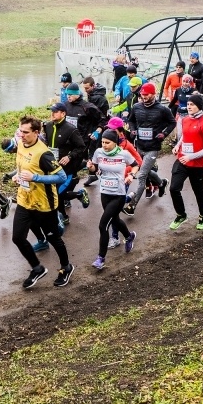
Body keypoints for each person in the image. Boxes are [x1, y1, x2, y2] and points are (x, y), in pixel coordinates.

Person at [11, 117, 74, 288]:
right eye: (20, 131)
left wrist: (35, 178)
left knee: (53, 238)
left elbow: (61, 177)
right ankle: (37, 268)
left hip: (44, 204)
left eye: (26, 132)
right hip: (25, 200)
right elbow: (23, 166)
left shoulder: (43, 153)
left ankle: (66, 267)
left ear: (36, 133)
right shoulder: (21, 144)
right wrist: (17, 176)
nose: (21, 135)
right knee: (17, 238)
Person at [32, 102, 88, 251]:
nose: (52, 114)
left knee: (58, 194)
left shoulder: (71, 129)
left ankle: (78, 195)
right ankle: (64, 216)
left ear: (63, 113)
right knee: (55, 194)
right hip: (52, 167)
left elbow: (81, 147)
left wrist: (69, 156)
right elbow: (46, 143)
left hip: (66, 170)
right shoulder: (48, 126)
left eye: (55, 111)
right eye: (51, 111)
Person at [88, 129, 138, 270]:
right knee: (114, 219)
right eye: (103, 142)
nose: (104, 145)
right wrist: (91, 167)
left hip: (118, 194)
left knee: (103, 225)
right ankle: (129, 236)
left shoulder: (123, 154)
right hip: (104, 192)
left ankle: (101, 259)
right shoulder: (98, 152)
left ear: (115, 142)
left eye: (107, 142)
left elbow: (135, 165)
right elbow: (94, 169)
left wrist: (131, 176)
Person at [124, 83, 176, 215]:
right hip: (140, 146)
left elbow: (172, 122)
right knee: (145, 171)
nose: (144, 97)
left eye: (146, 94)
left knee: (141, 175)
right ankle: (161, 183)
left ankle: (132, 206)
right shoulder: (136, 107)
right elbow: (131, 121)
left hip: (153, 147)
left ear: (153, 94)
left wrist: (164, 134)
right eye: (142, 94)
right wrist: (133, 130)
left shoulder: (162, 109)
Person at [169, 94, 203, 231]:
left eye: (192, 105)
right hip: (182, 160)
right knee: (173, 188)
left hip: (198, 164)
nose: (189, 107)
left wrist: (191, 156)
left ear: (199, 106)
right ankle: (181, 215)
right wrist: (178, 145)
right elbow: (184, 135)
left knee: (198, 191)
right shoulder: (185, 119)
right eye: (188, 104)